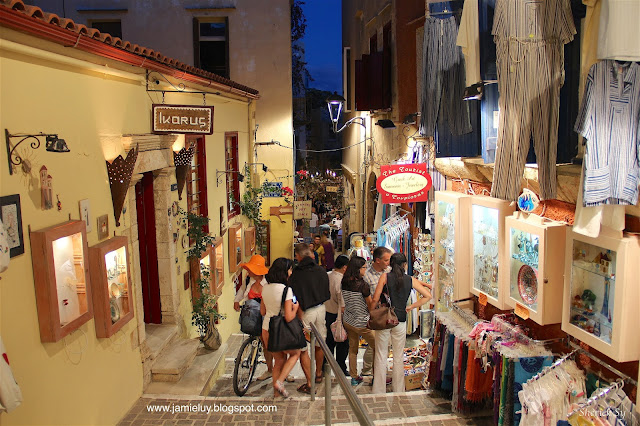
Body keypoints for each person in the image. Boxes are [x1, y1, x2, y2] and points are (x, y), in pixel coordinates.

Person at [370, 253, 433, 394]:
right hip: (401, 319)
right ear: (404, 265)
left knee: (381, 354)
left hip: (385, 319)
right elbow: (428, 296)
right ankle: (399, 389)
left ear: (391, 264)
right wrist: (411, 307)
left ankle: (378, 390)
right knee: (398, 356)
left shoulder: (385, 277)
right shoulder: (409, 279)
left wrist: (371, 311)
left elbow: (375, 299)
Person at [289, 243, 330, 394]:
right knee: (320, 343)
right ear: (311, 255)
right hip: (321, 309)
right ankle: (318, 374)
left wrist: (298, 315)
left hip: (306, 312)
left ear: (298, 256)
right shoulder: (321, 270)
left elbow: (294, 296)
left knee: (303, 348)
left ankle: (309, 382)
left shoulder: (296, 274)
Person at [260, 258, 302, 398]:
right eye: (289, 269)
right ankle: (279, 382)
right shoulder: (287, 290)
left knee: (278, 360)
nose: (291, 272)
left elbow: (263, 311)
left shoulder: (265, 288)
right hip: (280, 330)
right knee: (295, 353)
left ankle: (276, 394)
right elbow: (289, 317)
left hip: (266, 328)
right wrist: (295, 308)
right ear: (284, 272)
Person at [233, 254, 273, 381]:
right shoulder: (247, 281)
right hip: (253, 315)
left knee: (269, 344)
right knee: (260, 339)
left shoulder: (268, 282)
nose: (248, 271)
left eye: (250, 269)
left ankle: (278, 370)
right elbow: (241, 291)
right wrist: (236, 301)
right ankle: (270, 369)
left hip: (267, 316)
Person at [341, 256, 376, 386]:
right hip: (362, 322)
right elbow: (369, 304)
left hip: (349, 320)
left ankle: (354, 377)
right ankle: (376, 375)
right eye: (364, 267)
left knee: (353, 349)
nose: (365, 270)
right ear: (358, 269)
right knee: (377, 347)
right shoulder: (362, 285)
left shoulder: (344, 281)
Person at [360, 246, 392, 376]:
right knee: (374, 343)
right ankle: (367, 369)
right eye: (386, 260)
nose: (388, 263)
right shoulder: (367, 275)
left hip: (388, 312)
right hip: (373, 313)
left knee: (386, 342)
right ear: (377, 260)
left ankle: (379, 369)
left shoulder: (390, 272)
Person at [324, 254, 349, 376]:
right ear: (344, 267)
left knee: (328, 342)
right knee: (342, 342)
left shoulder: (328, 275)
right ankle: (341, 369)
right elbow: (342, 304)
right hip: (337, 315)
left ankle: (325, 367)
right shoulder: (341, 281)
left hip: (325, 312)